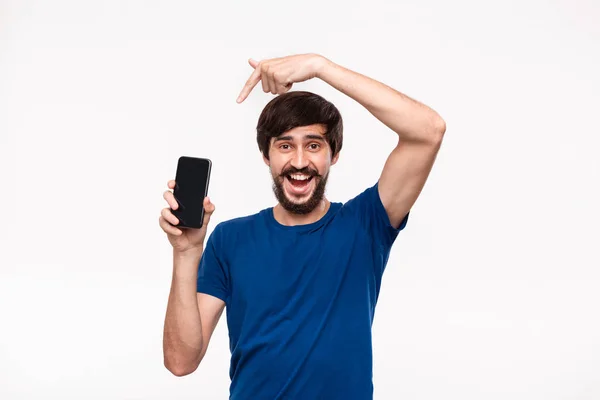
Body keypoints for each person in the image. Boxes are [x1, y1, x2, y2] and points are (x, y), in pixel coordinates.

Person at [159, 53, 446, 399]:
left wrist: (319, 67)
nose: (299, 162)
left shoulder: (365, 224)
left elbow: (428, 130)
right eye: (284, 146)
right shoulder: (230, 239)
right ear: (266, 156)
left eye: (313, 145)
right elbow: (180, 361)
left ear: (333, 154)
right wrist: (187, 253)